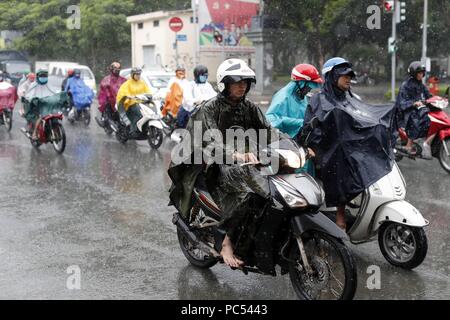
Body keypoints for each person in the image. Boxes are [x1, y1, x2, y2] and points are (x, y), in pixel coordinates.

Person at [168, 59, 277, 268]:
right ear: (224, 83)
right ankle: (226, 241)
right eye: (236, 81)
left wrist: (295, 147)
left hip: (245, 161)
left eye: (245, 81)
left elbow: (269, 131)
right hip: (214, 164)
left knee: (272, 192)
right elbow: (212, 141)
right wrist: (237, 155)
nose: (242, 85)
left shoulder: (249, 107)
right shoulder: (209, 108)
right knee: (249, 193)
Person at [303, 57, 396, 231]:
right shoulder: (319, 99)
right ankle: (340, 214)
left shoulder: (350, 97)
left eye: (349, 76)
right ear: (331, 77)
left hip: (349, 145)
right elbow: (312, 129)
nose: (348, 79)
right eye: (344, 76)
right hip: (326, 149)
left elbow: (364, 116)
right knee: (340, 163)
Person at [266, 64, 323, 174]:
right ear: (300, 83)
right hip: (286, 150)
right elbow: (271, 119)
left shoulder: (302, 97)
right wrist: (299, 123)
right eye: (309, 85)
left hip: (302, 147)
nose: (310, 89)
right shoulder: (283, 97)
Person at [395, 61, 433, 158]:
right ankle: (409, 145)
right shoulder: (406, 85)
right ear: (414, 74)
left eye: (422, 73)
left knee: (430, 116)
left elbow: (429, 96)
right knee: (417, 119)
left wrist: (436, 100)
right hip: (406, 111)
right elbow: (401, 103)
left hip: (417, 108)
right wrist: (413, 103)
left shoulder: (420, 84)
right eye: (419, 73)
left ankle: (424, 141)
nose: (421, 75)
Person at [116, 67, 152, 137]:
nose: (138, 76)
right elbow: (123, 92)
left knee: (148, 113)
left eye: (139, 74)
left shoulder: (142, 83)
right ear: (132, 74)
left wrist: (150, 95)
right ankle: (133, 130)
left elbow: (147, 91)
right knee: (139, 113)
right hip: (131, 104)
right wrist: (129, 96)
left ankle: (144, 128)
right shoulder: (127, 83)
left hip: (142, 103)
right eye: (137, 74)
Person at [23, 69, 57, 139]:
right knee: (40, 117)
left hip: (47, 104)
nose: (43, 77)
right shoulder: (33, 85)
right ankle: (34, 133)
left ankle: (55, 130)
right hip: (37, 105)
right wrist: (33, 99)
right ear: (38, 76)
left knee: (56, 115)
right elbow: (29, 95)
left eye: (45, 76)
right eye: (42, 75)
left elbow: (54, 92)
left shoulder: (49, 84)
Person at [97, 62, 127, 126]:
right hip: (110, 100)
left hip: (121, 99)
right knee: (105, 103)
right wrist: (108, 95)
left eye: (118, 70)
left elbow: (127, 87)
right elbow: (103, 90)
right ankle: (103, 119)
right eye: (116, 70)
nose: (117, 71)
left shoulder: (123, 79)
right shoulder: (107, 79)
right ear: (112, 70)